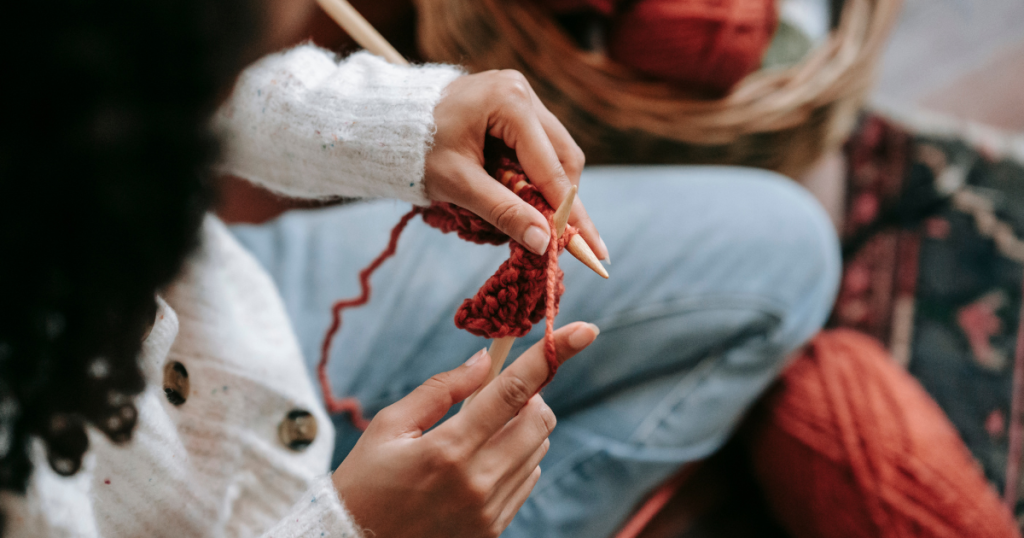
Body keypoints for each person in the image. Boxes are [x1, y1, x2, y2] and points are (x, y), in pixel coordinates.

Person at [0, 1, 839, 538]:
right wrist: (352, 528)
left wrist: (404, 125)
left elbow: (150, 60)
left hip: (228, 328)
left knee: (783, 247)